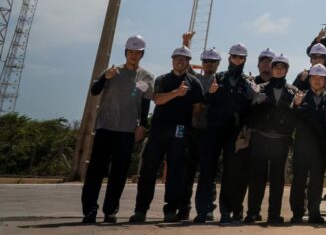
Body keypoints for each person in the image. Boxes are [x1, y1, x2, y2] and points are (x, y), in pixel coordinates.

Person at [81, 35, 154, 224]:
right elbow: (94, 91)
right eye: (131, 52)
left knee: (119, 173)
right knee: (96, 171)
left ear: (142, 55)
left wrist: (142, 126)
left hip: (128, 130)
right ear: (126, 52)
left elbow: (145, 104)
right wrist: (105, 78)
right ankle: (89, 210)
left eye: (138, 53)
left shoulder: (147, 76)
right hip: (106, 127)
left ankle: (110, 211)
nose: (134, 55)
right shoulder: (113, 71)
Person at [131, 46, 205, 224]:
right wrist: (177, 93)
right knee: (148, 170)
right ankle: (141, 210)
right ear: (172, 60)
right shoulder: (163, 79)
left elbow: (197, 108)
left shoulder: (194, 83)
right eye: (177, 58)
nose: (180, 61)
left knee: (176, 172)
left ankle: (171, 209)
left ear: (188, 62)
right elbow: (157, 99)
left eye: (184, 59)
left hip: (180, 133)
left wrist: (193, 131)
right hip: (159, 130)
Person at [195, 43, 254, 224]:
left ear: (244, 60)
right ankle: (203, 211)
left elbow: (250, 109)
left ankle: (226, 211)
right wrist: (210, 93)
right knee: (207, 170)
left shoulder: (247, 83)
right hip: (214, 130)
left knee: (231, 173)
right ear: (229, 58)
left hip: (234, 133)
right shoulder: (218, 78)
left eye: (240, 57)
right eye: (234, 56)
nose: (237, 60)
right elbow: (204, 103)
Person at [244, 53, 297, 225]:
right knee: (257, 177)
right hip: (261, 138)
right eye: (276, 67)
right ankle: (253, 212)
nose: (279, 70)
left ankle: (274, 214)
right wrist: (255, 102)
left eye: (282, 67)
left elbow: (295, 118)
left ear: (287, 70)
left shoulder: (293, 92)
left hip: (281, 140)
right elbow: (250, 114)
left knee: (277, 180)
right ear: (272, 69)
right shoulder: (259, 88)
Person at [290, 63, 326, 224]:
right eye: (314, 77)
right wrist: (296, 105)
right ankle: (297, 213)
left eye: (321, 78)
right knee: (299, 181)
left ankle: (314, 212)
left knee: (317, 181)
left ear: (325, 80)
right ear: (309, 80)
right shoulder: (300, 97)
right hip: (302, 146)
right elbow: (291, 119)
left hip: (320, 149)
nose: (317, 81)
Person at [183, 45, 221, 221]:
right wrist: (186, 44)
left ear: (218, 64)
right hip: (193, 130)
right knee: (188, 171)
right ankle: (184, 207)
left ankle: (207, 208)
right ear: (202, 62)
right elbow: (185, 63)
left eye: (213, 62)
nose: (209, 64)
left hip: (211, 133)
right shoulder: (194, 78)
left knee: (208, 173)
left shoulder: (220, 80)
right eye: (206, 61)